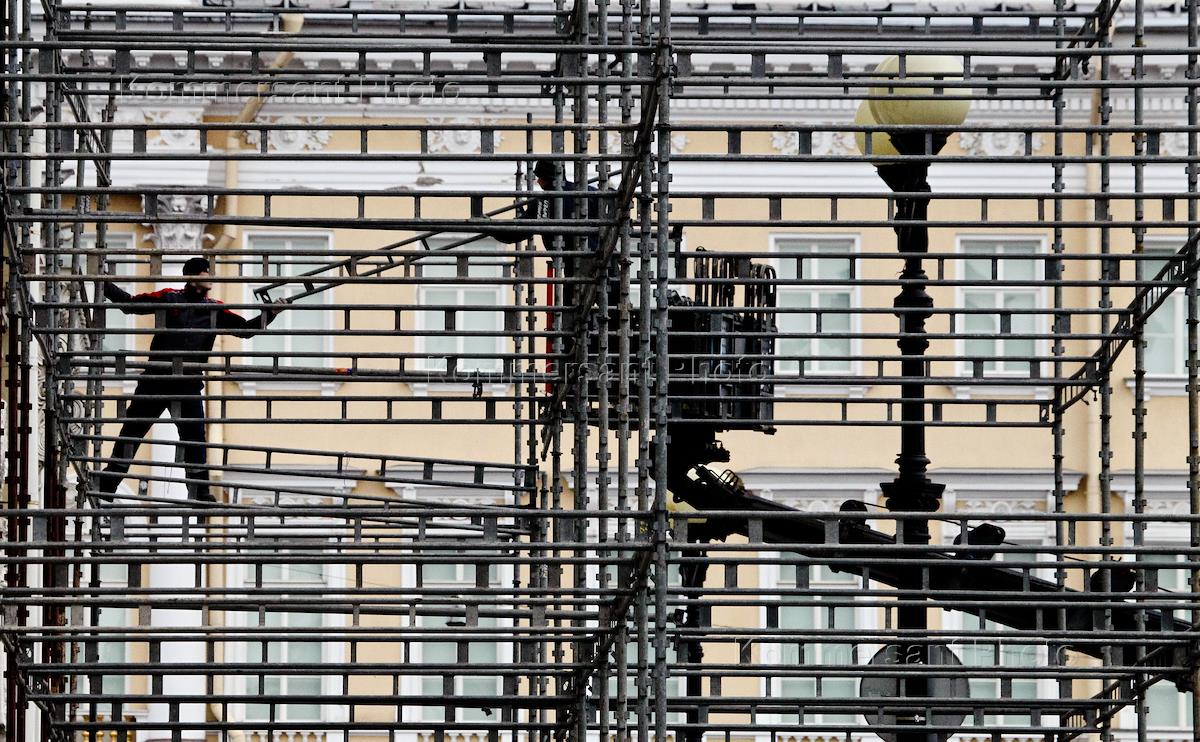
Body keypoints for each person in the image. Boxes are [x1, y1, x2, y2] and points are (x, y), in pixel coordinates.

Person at [98, 256, 281, 503]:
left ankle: (199, 492)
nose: (211, 277)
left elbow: (245, 330)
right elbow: (130, 305)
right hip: (156, 378)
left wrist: (270, 314)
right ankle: (108, 483)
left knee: (195, 439)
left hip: (188, 383)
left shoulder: (215, 308)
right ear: (193, 276)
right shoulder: (169, 297)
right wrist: (102, 283)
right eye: (206, 272)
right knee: (133, 429)